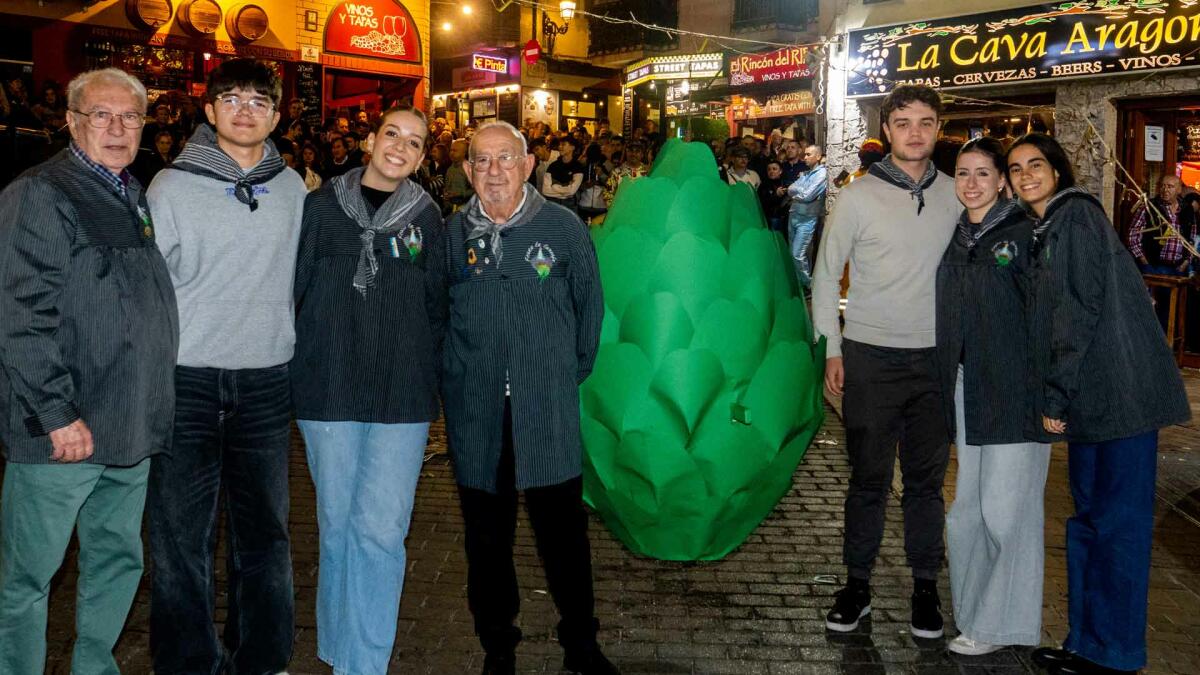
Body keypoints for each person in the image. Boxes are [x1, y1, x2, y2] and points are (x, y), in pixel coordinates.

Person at [0, 68, 178, 674]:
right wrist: (56, 413)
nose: (117, 127)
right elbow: (19, 314)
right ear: (72, 122)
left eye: (130, 116)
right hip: (63, 433)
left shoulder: (131, 190)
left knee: (116, 558)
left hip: (126, 426)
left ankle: (94, 668)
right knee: (28, 577)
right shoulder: (40, 192)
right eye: (100, 115)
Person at [145, 58, 307, 674]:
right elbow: (150, 292)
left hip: (266, 379)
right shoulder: (171, 185)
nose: (246, 110)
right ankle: (188, 662)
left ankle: (261, 658)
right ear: (209, 111)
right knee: (182, 535)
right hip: (188, 379)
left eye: (259, 100)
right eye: (232, 99)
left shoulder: (291, 187)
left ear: (275, 113)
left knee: (265, 533)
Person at [1008, 133, 1190, 675]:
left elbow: (1075, 313)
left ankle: (1114, 654)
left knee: (1117, 526)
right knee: (1089, 520)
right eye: (1016, 169)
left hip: (1122, 397)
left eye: (1035, 164)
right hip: (1098, 402)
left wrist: (1054, 396)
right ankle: (1087, 643)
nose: (1025, 175)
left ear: (1057, 171)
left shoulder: (1075, 218)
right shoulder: (1048, 227)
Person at [443, 121, 615, 675]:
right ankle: (498, 644)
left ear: (526, 164)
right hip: (478, 413)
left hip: (545, 411)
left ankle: (580, 645)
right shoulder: (452, 235)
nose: (494, 171)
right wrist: (458, 378)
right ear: (468, 171)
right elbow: (435, 316)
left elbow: (590, 307)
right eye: (482, 161)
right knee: (487, 542)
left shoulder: (563, 229)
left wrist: (563, 372)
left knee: (563, 537)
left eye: (505, 159)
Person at [292, 105, 447, 675]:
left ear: (423, 156)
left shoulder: (428, 217)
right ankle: (337, 645)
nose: (400, 147)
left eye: (415, 141)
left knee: (380, 531)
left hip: (400, 396)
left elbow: (437, 308)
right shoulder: (320, 206)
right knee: (337, 526)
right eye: (392, 135)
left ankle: (364, 664)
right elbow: (296, 290)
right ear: (369, 139)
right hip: (327, 387)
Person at [812, 84, 960, 637]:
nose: (915, 132)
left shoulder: (957, 194)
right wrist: (832, 346)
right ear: (887, 129)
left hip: (935, 362)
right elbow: (827, 273)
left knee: (925, 484)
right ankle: (857, 587)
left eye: (925, 121)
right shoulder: (857, 196)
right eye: (903, 122)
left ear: (938, 128)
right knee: (869, 481)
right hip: (871, 357)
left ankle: (926, 588)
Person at [934, 137, 1051, 657]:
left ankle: (1002, 625)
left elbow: (1049, 314)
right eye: (963, 174)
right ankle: (974, 610)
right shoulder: (958, 235)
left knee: (1008, 511)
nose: (972, 183)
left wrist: (1052, 393)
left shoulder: (1024, 234)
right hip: (965, 387)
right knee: (966, 510)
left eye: (983, 173)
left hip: (1014, 391)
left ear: (1001, 181)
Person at [1127, 174, 1194, 276]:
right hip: (1153, 266)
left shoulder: (1187, 209)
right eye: (1163, 186)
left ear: (1179, 190)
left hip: (1179, 268)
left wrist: (1185, 263)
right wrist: (1144, 260)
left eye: (1170, 186)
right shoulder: (1150, 207)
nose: (1165, 190)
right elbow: (1133, 234)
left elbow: (1191, 239)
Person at [786, 143, 828, 288]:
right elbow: (790, 189)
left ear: (818, 156)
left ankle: (808, 285)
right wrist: (798, 191)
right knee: (796, 253)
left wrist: (797, 192)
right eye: (805, 154)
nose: (805, 157)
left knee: (798, 254)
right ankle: (800, 285)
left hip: (807, 218)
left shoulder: (822, 174)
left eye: (808, 154)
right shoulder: (807, 173)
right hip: (794, 215)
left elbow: (807, 195)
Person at [542, 136, 585, 213]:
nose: (560, 147)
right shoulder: (553, 165)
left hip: (570, 206)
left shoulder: (577, 166)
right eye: (559, 145)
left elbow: (572, 191)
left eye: (563, 144)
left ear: (572, 147)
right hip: (553, 206)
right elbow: (545, 190)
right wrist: (566, 190)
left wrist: (554, 186)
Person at [602, 140, 647, 208]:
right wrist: (616, 211)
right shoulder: (616, 173)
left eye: (637, 151)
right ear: (626, 152)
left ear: (642, 154)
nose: (633, 154)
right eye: (631, 150)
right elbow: (607, 195)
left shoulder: (648, 173)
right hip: (621, 215)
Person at [757, 160, 789, 235]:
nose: (771, 171)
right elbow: (762, 203)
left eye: (774, 169)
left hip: (785, 219)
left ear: (780, 171)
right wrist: (775, 195)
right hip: (771, 218)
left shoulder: (785, 184)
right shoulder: (763, 185)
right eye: (769, 169)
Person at [443, 138, 474, 213]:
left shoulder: (469, 169)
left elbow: (477, 190)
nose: (452, 153)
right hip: (450, 209)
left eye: (455, 150)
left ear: (464, 153)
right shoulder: (450, 168)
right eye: (451, 150)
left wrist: (460, 194)